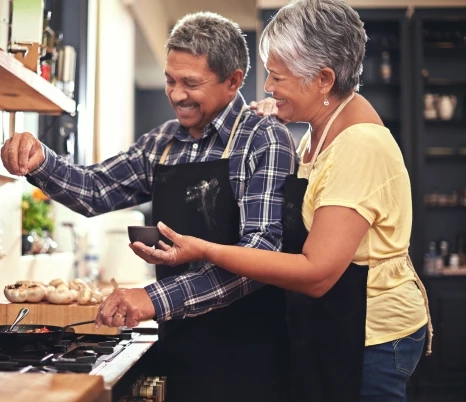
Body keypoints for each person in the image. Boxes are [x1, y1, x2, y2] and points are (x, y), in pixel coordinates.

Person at [125, 1, 433, 401]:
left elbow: (317, 273)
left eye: (278, 76)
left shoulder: (359, 146)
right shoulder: (320, 130)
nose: (268, 87)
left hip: (371, 338)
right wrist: (289, 106)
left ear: (323, 79)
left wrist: (204, 250)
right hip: (334, 327)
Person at [1, 12, 296, 402]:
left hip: (248, 355)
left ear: (233, 81)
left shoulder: (263, 138)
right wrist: (40, 161)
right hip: (178, 347)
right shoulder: (162, 143)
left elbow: (261, 254)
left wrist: (154, 298)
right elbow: (95, 189)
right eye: (170, 80)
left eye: (191, 83)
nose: (176, 94)